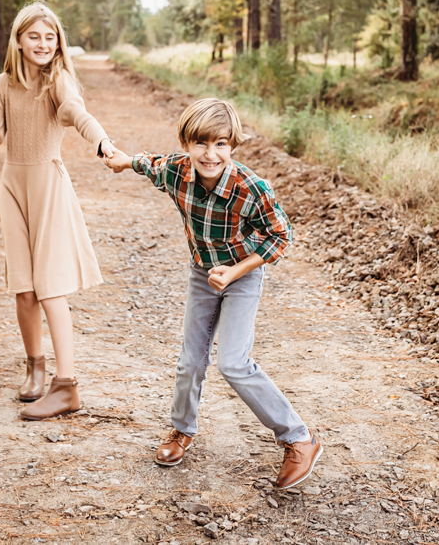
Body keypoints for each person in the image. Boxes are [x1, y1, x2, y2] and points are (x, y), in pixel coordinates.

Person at [102, 98, 321, 489]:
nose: (210, 154)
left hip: (243, 275)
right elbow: (149, 164)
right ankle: (182, 430)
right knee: (190, 360)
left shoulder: (250, 188)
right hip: (201, 274)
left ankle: (298, 438)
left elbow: (281, 235)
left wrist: (236, 270)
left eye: (221, 144)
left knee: (233, 363)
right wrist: (122, 161)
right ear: (187, 144)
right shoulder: (177, 172)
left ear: (232, 145)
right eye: (201, 144)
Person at [0, 1, 114, 420]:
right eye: (35, 36)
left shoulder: (58, 80)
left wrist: (101, 142)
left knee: (50, 286)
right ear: (19, 41)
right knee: (24, 287)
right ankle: (35, 366)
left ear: (58, 43)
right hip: (13, 186)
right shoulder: (3, 85)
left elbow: (74, 112)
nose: (44, 44)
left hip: (48, 186)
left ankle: (67, 385)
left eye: (50, 37)